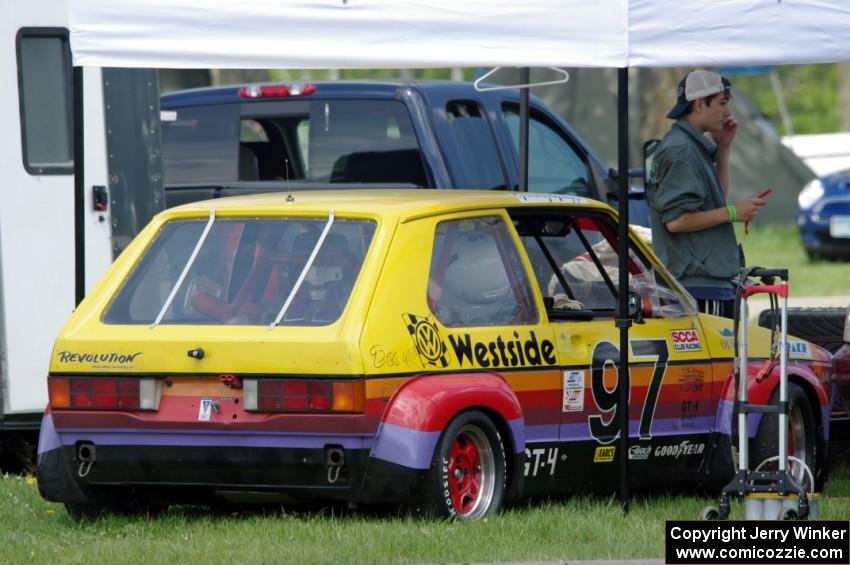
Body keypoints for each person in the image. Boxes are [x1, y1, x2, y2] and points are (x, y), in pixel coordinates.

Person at [646, 69, 765, 319]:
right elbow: (676, 221)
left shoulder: (690, 146)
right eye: (721, 103)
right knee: (717, 359)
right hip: (696, 286)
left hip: (704, 284)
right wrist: (733, 213)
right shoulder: (681, 151)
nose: (727, 113)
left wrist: (723, 148)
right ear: (699, 103)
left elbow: (714, 199)